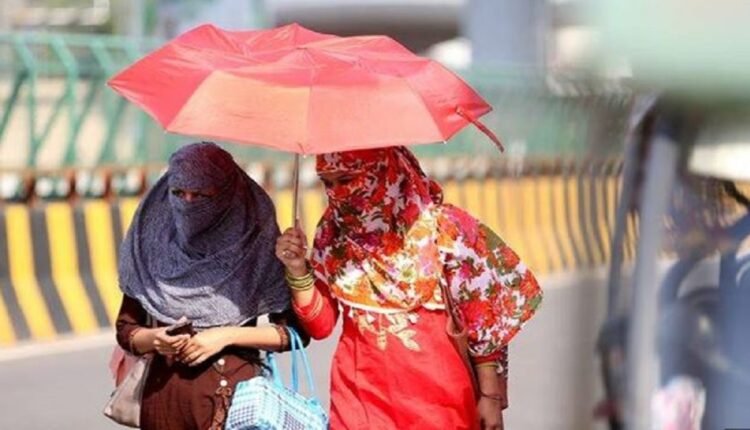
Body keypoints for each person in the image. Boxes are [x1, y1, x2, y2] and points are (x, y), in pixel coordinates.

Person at [276, 147, 543, 430]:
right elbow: (321, 326)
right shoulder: (332, 234)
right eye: (326, 183)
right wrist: (297, 269)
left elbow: (481, 318)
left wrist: (489, 395)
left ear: (381, 172)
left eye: (346, 180)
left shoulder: (444, 229)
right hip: (357, 404)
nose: (336, 193)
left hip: (440, 407)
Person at [114, 142, 306, 430]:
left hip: (235, 408)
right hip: (162, 406)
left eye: (202, 195)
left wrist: (225, 336)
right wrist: (155, 339)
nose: (188, 203)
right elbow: (126, 329)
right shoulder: (150, 245)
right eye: (179, 193)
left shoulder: (255, 243)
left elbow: (292, 334)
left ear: (227, 195)